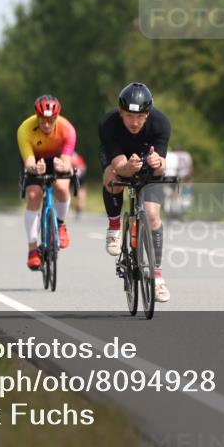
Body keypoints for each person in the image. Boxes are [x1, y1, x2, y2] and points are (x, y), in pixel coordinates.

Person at [98, 82, 172, 302]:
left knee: (152, 215)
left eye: (140, 116)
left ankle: (157, 277)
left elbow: (161, 166)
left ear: (148, 114)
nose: (135, 121)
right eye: (129, 116)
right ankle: (114, 225)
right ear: (121, 112)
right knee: (113, 178)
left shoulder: (160, 123)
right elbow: (119, 165)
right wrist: (126, 168)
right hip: (119, 159)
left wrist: (157, 162)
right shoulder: (109, 123)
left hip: (147, 162)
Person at [18, 95, 77, 271]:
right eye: (42, 120)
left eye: (50, 120)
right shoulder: (25, 129)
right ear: (37, 116)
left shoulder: (67, 129)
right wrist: (35, 168)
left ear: (56, 117)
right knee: (34, 195)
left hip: (57, 159)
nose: (46, 124)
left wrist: (62, 165)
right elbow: (28, 162)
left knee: (61, 187)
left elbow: (67, 160)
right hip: (35, 160)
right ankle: (32, 250)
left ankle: (60, 224)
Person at [71, 151, 88, 219]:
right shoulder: (76, 155)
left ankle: (76, 205)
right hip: (82, 171)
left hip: (74, 172)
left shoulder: (67, 154)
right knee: (81, 189)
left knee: (70, 191)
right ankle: (79, 206)